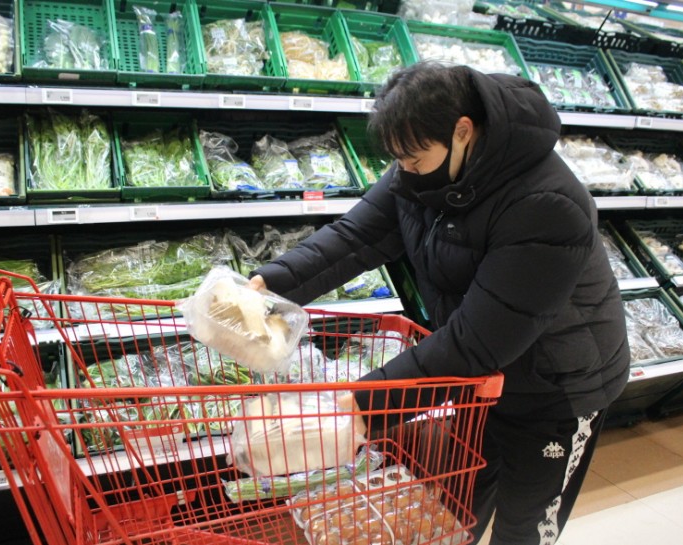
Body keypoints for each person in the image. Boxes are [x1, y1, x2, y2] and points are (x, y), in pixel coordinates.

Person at [248, 62, 630, 545]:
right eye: (399, 161)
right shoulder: (420, 167)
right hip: (480, 380)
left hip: (556, 386)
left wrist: (365, 404)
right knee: (461, 500)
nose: (404, 172)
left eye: (413, 160)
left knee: (526, 524)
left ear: (463, 131)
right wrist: (269, 284)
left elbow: (479, 340)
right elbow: (355, 236)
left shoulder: (546, 205)